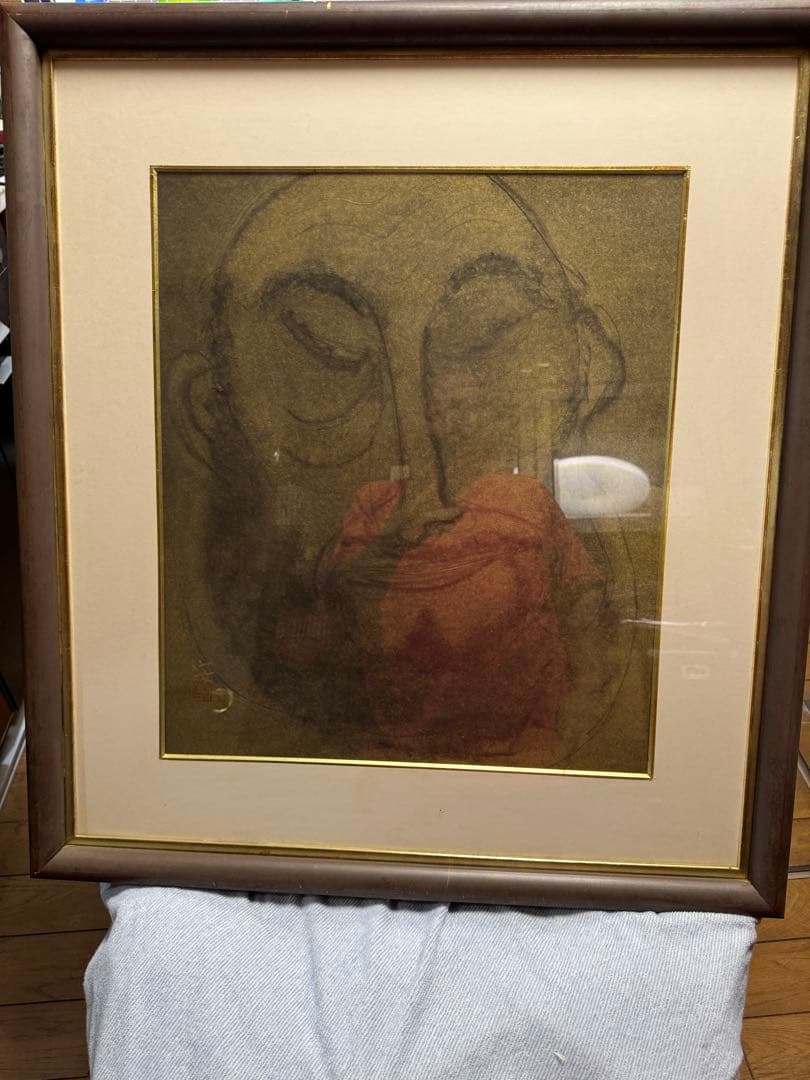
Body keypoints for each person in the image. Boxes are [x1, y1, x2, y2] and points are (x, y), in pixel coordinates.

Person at [166, 172, 638, 767]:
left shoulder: (533, 517)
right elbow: (314, 632)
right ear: (212, 411)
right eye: (332, 352)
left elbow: (587, 614)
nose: (424, 467)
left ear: (587, 373)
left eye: (486, 336)